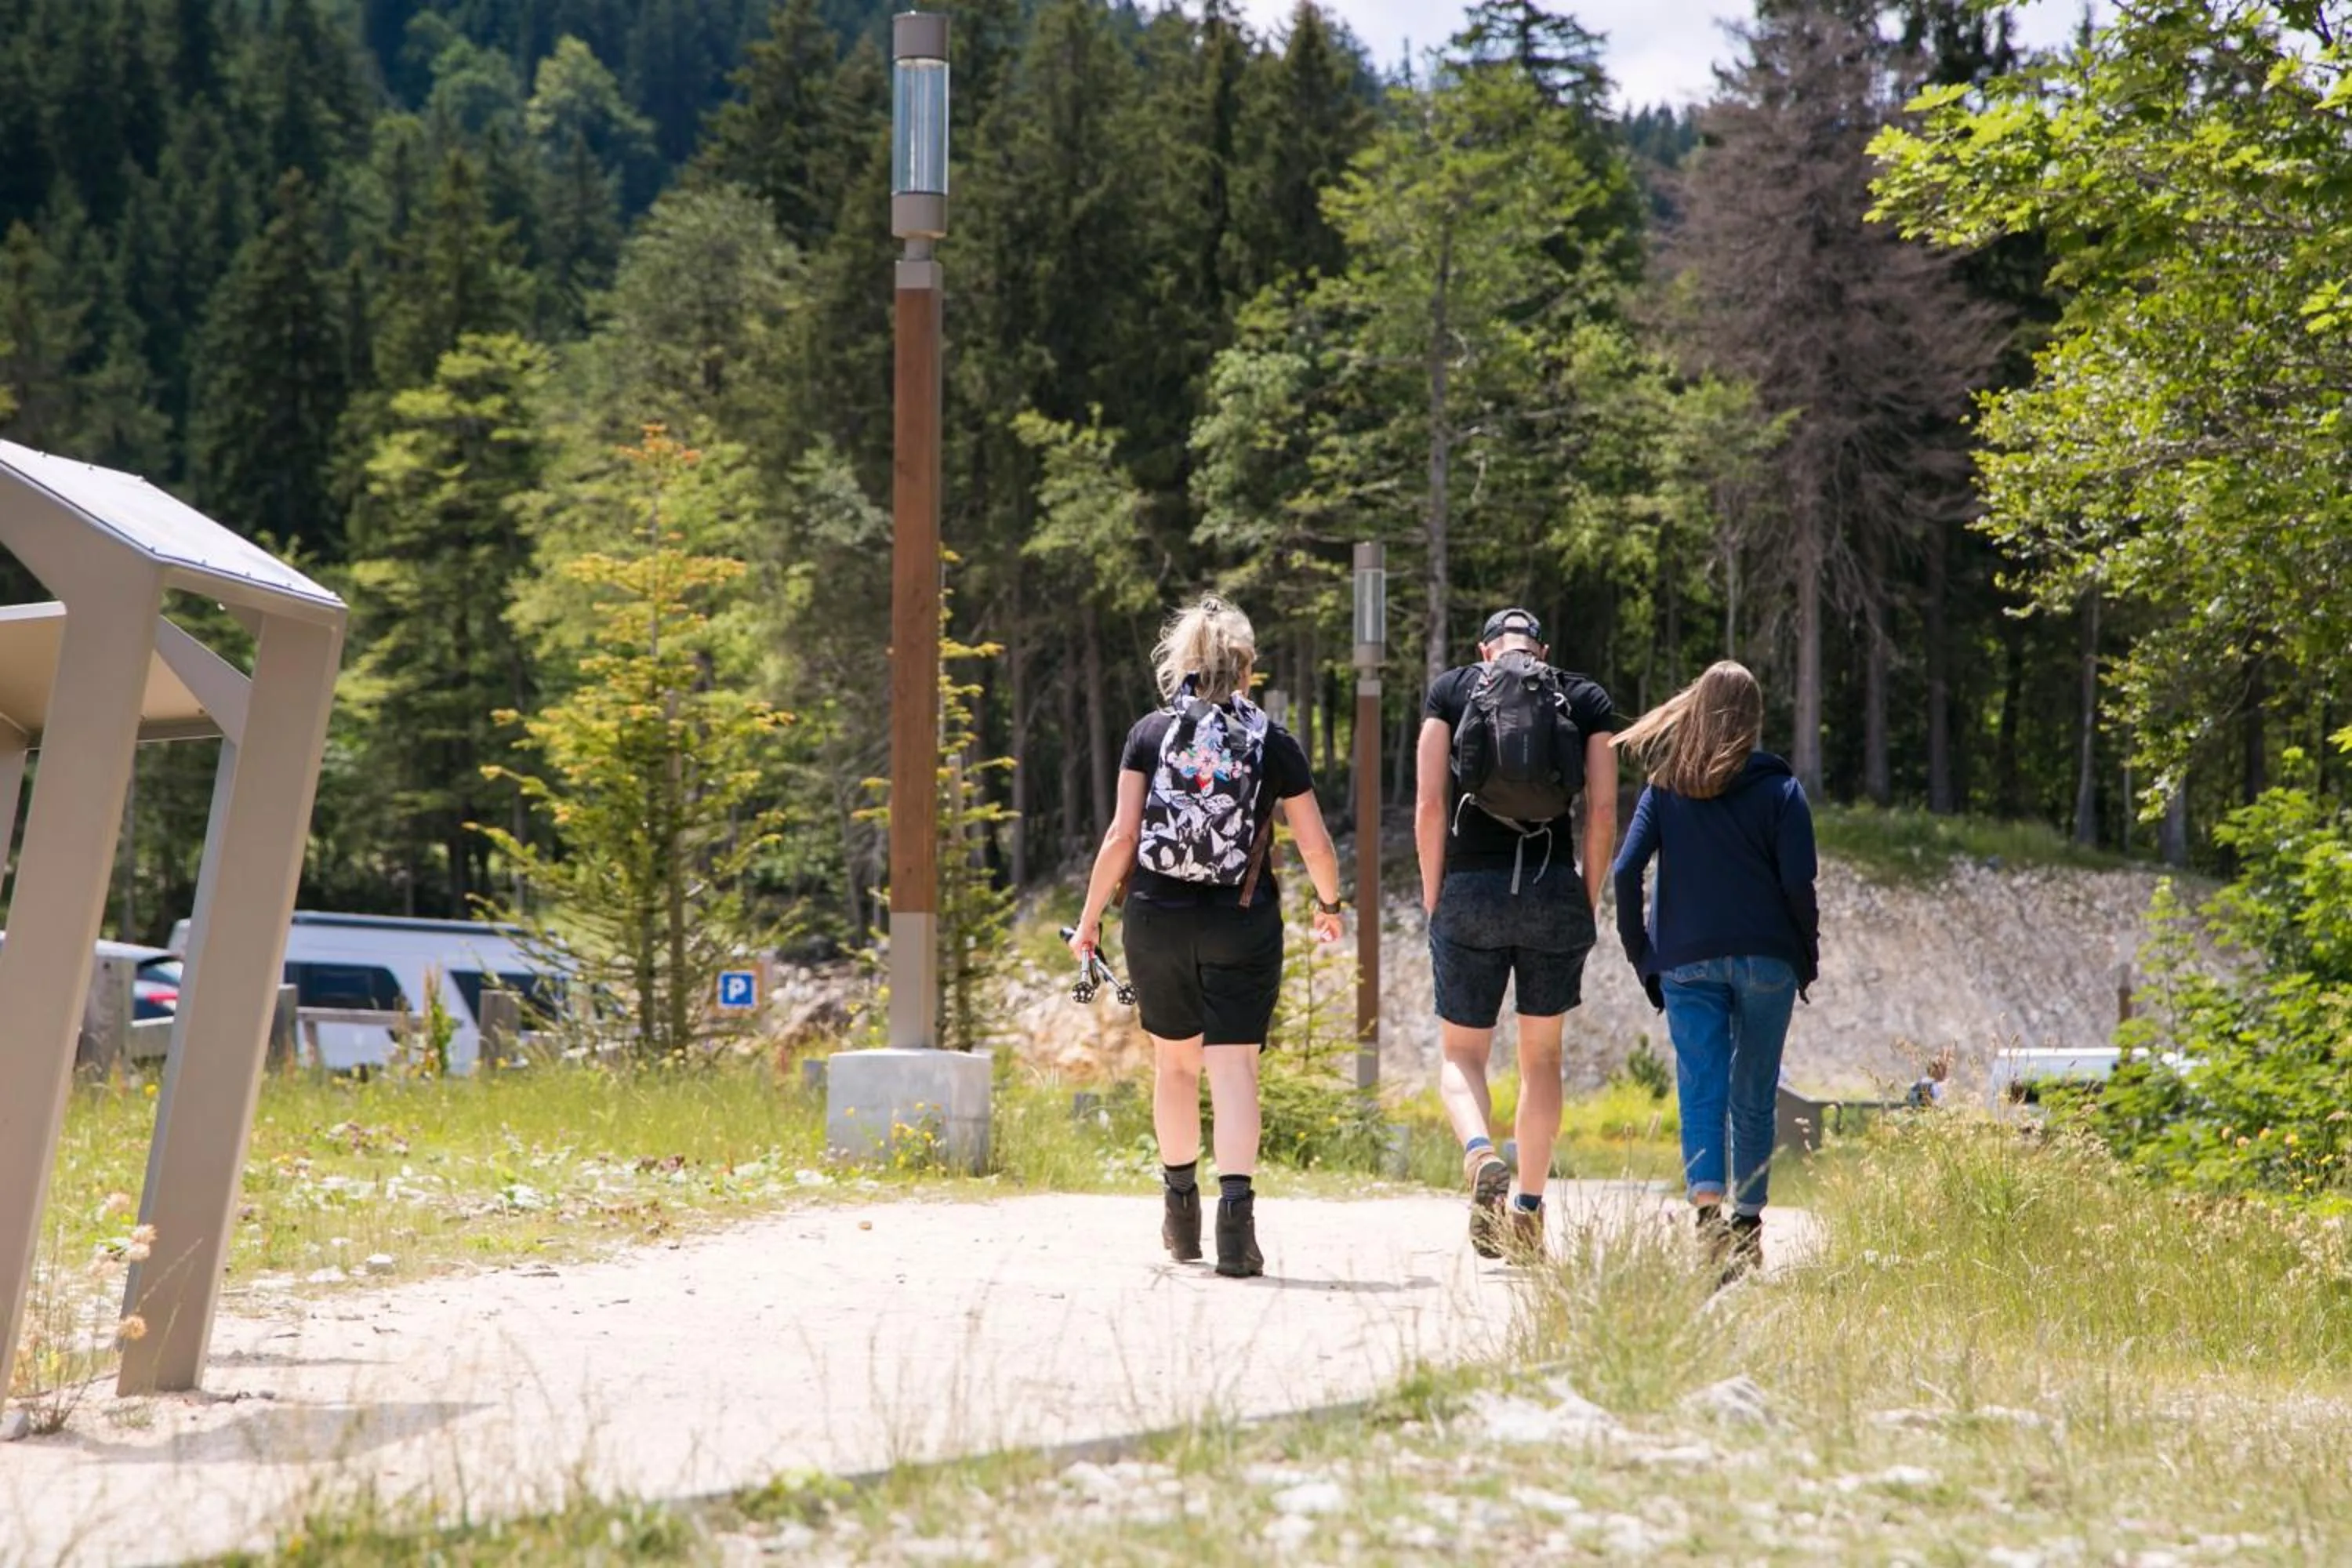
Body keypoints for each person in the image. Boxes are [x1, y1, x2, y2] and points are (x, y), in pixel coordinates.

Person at [1069, 596, 1345, 1278]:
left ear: (1184, 666)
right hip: (1242, 918)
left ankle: (1180, 1215)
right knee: (1234, 1068)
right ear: (1246, 670)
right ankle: (1236, 1232)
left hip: (1156, 916)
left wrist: (1088, 919)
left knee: (1175, 1066)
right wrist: (1330, 904)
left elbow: (1121, 837)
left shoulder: (1148, 733)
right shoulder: (1273, 742)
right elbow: (1314, 842)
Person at [1417, 608, 1622, 1259]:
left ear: (1486, 651)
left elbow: (1428, 804)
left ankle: (1480, 1156)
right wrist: (1585, 896)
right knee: (1541, 1059)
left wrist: (1433, 895)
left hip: (1469, 892)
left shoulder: (1453, 690)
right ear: (1542, 650)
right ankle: (1528, 1211)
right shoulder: (1584, 697)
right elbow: (1604, 809)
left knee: (1462, 1055)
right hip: (1552, 890)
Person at [1609, 661, 1819, 1284]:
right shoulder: (1781, 791)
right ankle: (1748, 1232)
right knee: (1752, 1090)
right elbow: (1798, 885)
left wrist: (1640, 953)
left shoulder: (1666, 790)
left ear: (1696, 711)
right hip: (1766, 958)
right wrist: (1806, 955)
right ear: (1754, 719)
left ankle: (1708, 1228)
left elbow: (1624, 872)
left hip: (1687, 963)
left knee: (1701, 1085)